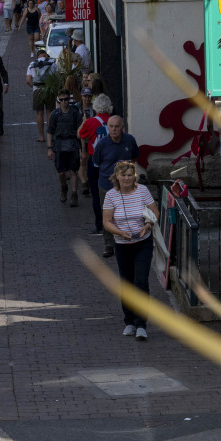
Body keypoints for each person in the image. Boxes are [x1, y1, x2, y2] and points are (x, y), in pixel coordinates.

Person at [103, 161, 159, 341]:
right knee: (126, 283)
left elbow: (155, 212)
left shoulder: (142, 191)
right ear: (117, 176)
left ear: (134, 176)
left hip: (142, 242)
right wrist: (119, 232)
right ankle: (129, 322)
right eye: (123, 175)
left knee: (140, 281)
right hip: (122, 244)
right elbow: (107, 222)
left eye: (129, 175)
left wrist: (148, 226)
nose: (126, 178)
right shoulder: (111, 195)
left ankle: (141, 324)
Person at [92, 116, 139, 258]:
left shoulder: (130, 140)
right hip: (106, 185)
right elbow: (96, 162)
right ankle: (108, 244)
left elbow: (134, 157)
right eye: (111, 126)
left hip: (126, 186)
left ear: (122, 127)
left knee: (127, 213)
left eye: (116, 126)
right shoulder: (102, 144)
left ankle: (127, 240)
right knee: (108, 215)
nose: (113, 129)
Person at [79, 94, 113, 236]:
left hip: (95, 161)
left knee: (95, 194)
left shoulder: (91, 122)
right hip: (111, 161)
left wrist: (84, 122)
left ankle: (99, 225)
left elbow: (81, 134)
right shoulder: (114, 121)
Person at [47, 89, 82, 207]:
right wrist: (49, 148)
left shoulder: (75, 113)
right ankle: (63, 187)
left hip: (72, 144)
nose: (63, 102)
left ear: (69, 100)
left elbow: (80, 131)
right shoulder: (54, 115)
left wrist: (82, 149)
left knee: (73, 171)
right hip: (59, 145)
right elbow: (50, 132)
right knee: (61, 173)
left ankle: (74, 194)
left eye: (66, 99)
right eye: (61, 100)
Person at [26, 48, 55, 143]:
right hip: (49, 90)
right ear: (45, 55)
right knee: (49, 112)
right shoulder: (52, 63)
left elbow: (28, 80)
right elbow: (58, 76)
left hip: (37, 90)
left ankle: (42, 136)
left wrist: (34, 87)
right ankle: (51, 135)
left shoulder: (32, 64)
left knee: (39, 113)